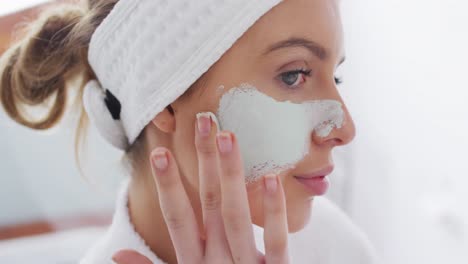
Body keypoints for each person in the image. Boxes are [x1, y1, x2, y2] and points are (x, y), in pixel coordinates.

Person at [0, 0, 378, 263]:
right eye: (293, 75)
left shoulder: (333, 242)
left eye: (336, 76)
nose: (344, 129)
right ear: (164, 101)